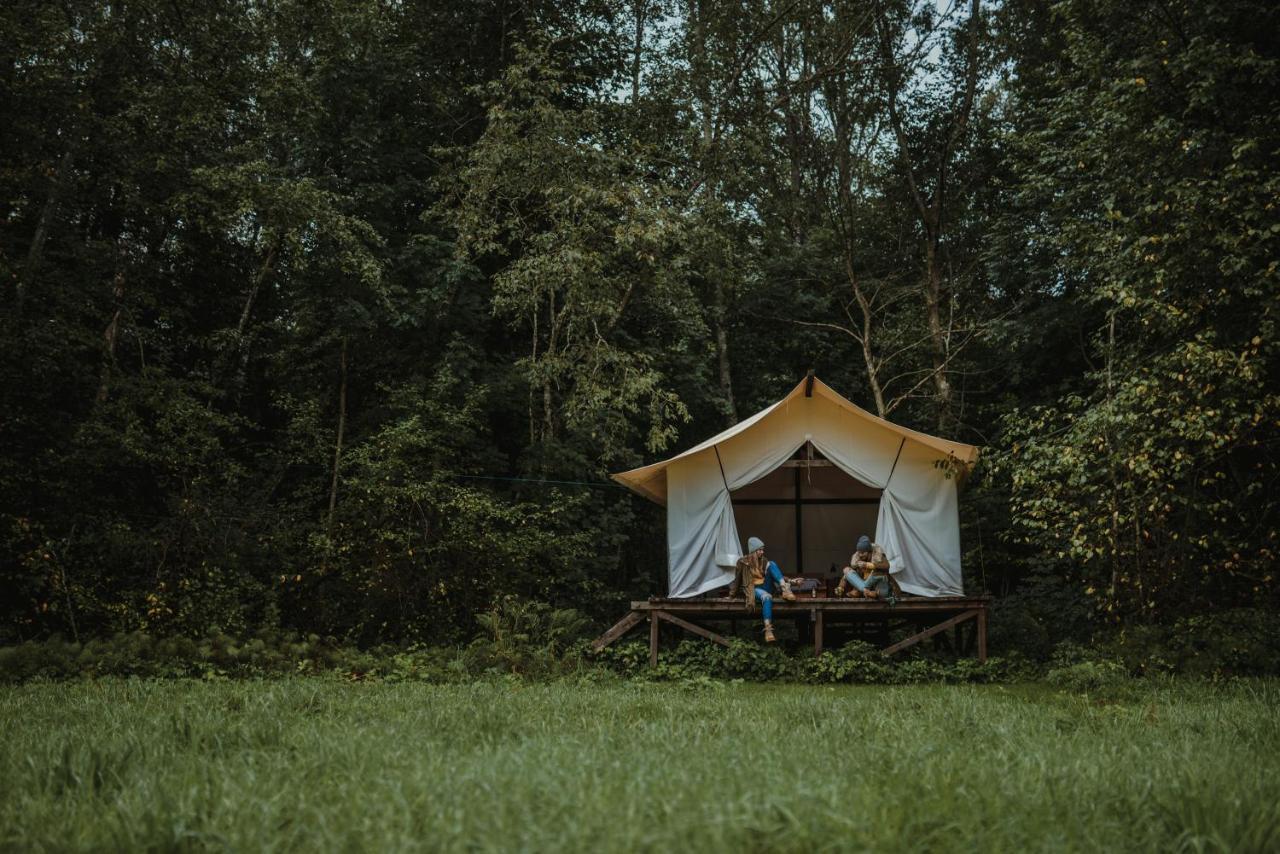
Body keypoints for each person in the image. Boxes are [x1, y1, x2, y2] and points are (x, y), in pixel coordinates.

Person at [728, 536, 795, 642]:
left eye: (762, 549)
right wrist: (732, 595)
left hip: (766, 586)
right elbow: (737, 580)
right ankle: (768, 629)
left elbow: (775, 574)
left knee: (772, 563)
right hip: (753, 589)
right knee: (767, 597)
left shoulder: (764, 561)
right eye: (759, 550)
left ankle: (785, 589)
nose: (762, 552)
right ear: (753, 551)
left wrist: (790, 581)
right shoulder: (742, 562)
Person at [834, 535, 898, 605]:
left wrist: (869, 565)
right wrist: (840, 587)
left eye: (863, 553)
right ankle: (865, 591)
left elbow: (886, 566)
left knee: (880, 574)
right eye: (859, 552)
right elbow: (846, 576)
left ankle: (872, 593)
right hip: (865, 587)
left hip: (878, 587)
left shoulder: (877, 556)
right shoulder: (857, 559)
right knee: (846, 570)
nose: (861, 555)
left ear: (869, 552)